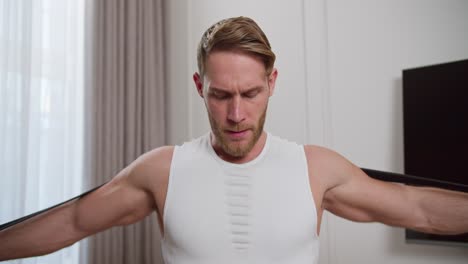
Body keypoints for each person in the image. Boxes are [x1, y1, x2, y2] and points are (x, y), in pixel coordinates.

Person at [0, 16, 467, 263]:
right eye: (221, 95)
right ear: (200, 87)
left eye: (251, 93)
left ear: (273, 83)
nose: (237, 114)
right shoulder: (163, 170)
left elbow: (419, 209)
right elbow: (74, 222)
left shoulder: (315, 168)